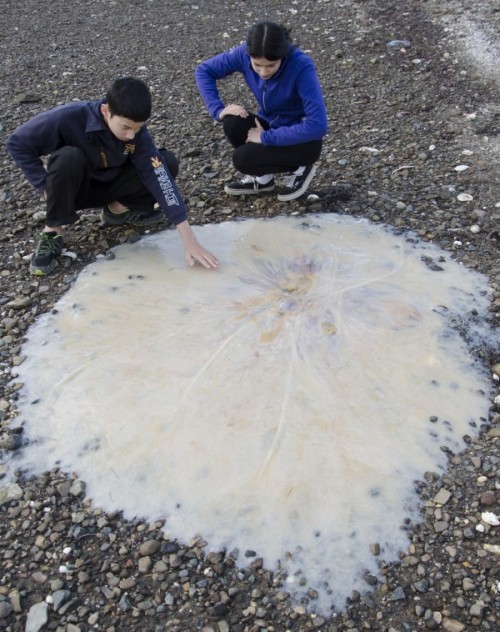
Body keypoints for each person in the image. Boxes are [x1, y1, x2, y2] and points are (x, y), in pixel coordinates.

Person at [6, 77, 219, 276]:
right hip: (72, 191)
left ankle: (117, 211)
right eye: (125, 127)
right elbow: (17, 143)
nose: (131, 136)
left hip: (111, 188)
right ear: (106, 110)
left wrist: (189, 239)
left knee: (165, 163)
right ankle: (52, 231)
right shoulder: (68, 117)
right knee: (68, 157)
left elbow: (160, 178)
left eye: (138, 128)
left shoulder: (138, 136)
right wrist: (45, 186)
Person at [195, 21, 327, 202]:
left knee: (242, 160)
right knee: (232, 120)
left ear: (283, 54)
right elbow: (204, 70)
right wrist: (218, 109)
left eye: (271, 65)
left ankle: (301, 168)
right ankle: (264, 179)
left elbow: (317, 126)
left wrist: (265, 137)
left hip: (303, 141)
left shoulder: (301, 66)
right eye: (257, 65)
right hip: (268, 125)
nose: (263, 72)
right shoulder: (243, 54)